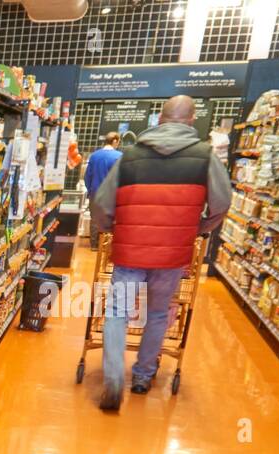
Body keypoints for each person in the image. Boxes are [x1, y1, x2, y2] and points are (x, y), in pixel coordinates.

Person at [90, 95, 230, 410]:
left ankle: (114, 381)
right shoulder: (205, 156)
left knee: (117, 313)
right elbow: (222, 203)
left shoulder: (130, 155)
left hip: (129, 250)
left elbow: (101, 204)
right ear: (192, 120)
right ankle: (142, 376)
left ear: (160, 120)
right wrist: (200, 229)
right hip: (172, 256)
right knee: (156, 313)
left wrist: (109, 227)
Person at [83, 133, 122, 249]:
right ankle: (107, 246)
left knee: (95, 218)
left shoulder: (94, 156)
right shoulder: (119, 156)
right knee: (111, 218)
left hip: (95, 191)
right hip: (112, 193)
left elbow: (87, 176)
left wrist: (90, 189)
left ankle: (94, 245)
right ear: (115, 141)